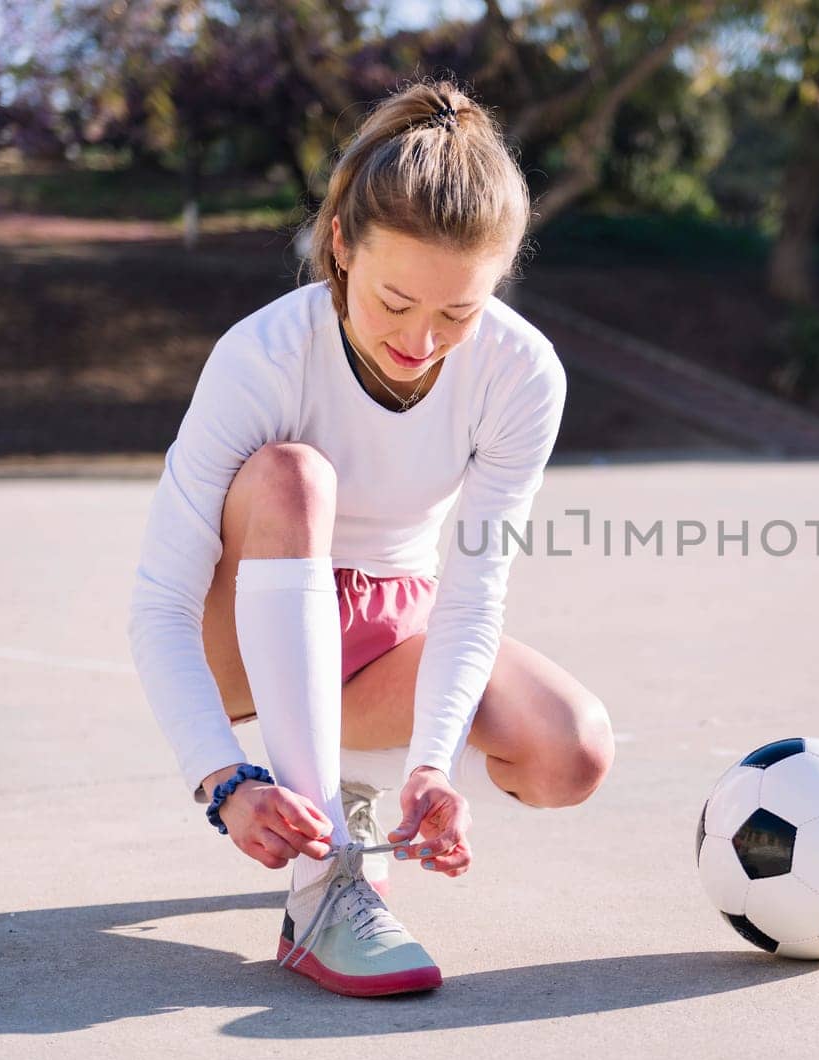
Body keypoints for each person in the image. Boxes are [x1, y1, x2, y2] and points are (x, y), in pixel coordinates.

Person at [127, 79, 615, 998]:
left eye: (458, 312)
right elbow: (157, 604)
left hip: (387, 631)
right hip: (239, 633)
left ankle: (351, 784)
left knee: (571, 750)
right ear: (342, 245)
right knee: (294, 476)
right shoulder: (261, 356)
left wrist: (431, 765)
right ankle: (324, 890)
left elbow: (473, 590)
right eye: (396, 301)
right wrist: (224, 779)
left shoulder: (522, 375)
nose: (422, 340)